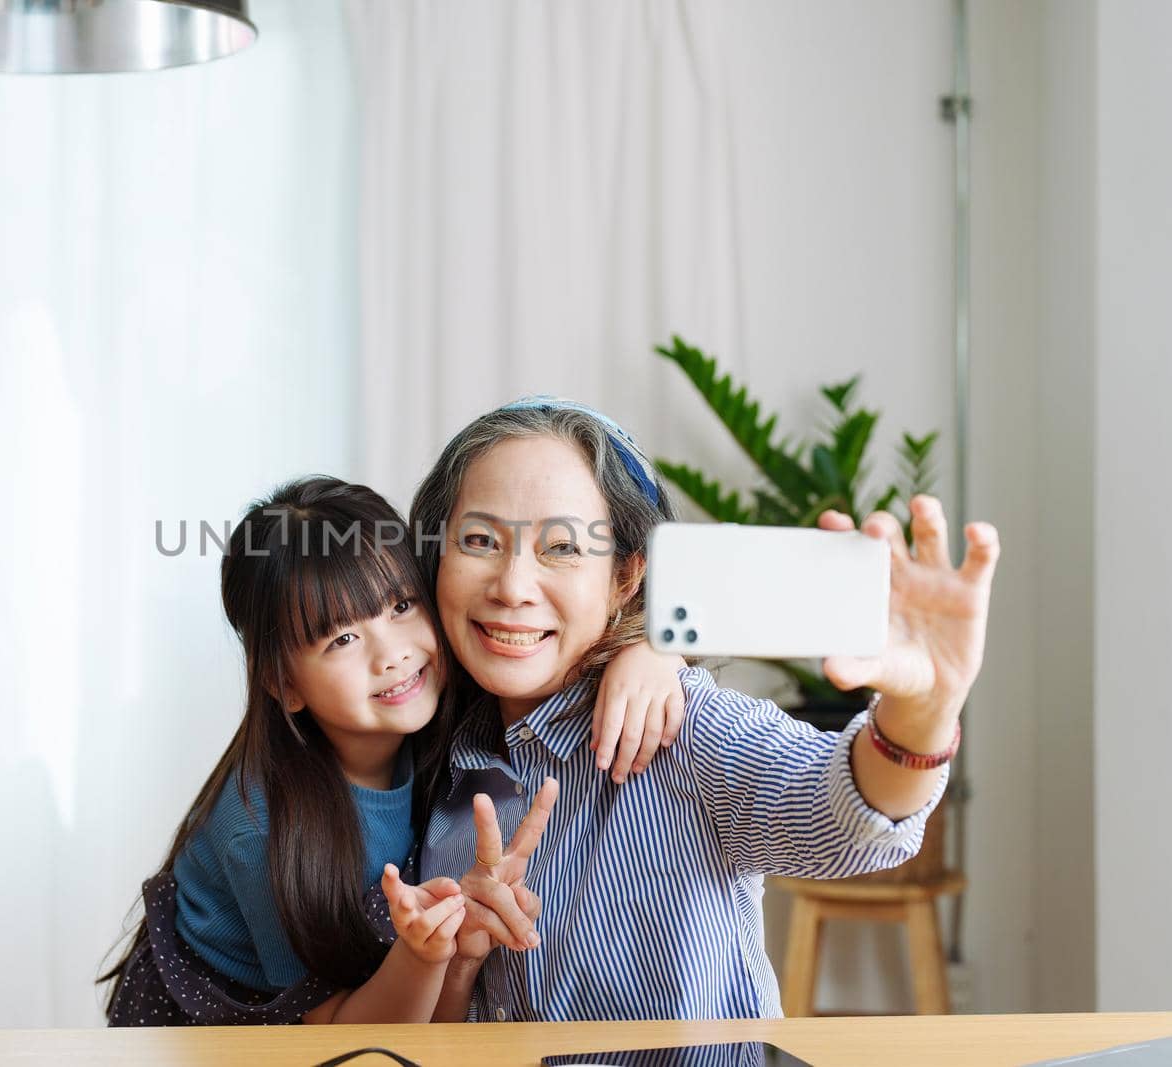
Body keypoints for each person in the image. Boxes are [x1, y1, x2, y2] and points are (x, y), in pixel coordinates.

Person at [410, 398, 1001, 1021]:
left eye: (561, 547)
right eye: (479, 540)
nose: (511, 585)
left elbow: (843, 821)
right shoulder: (431, 751)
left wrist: (926, 708)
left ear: (626, 578)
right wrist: (457, 961)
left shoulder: (679, 725)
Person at [100, 475, 688, 1025]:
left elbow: (569, 656)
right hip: (246, 1031)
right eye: (343, 638)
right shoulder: (260, 831)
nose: (392, 654)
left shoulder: (442, 695)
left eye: (402, 606)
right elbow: (340, 1039)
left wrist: (652, 654)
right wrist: (424, 957)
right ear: (285, 685)